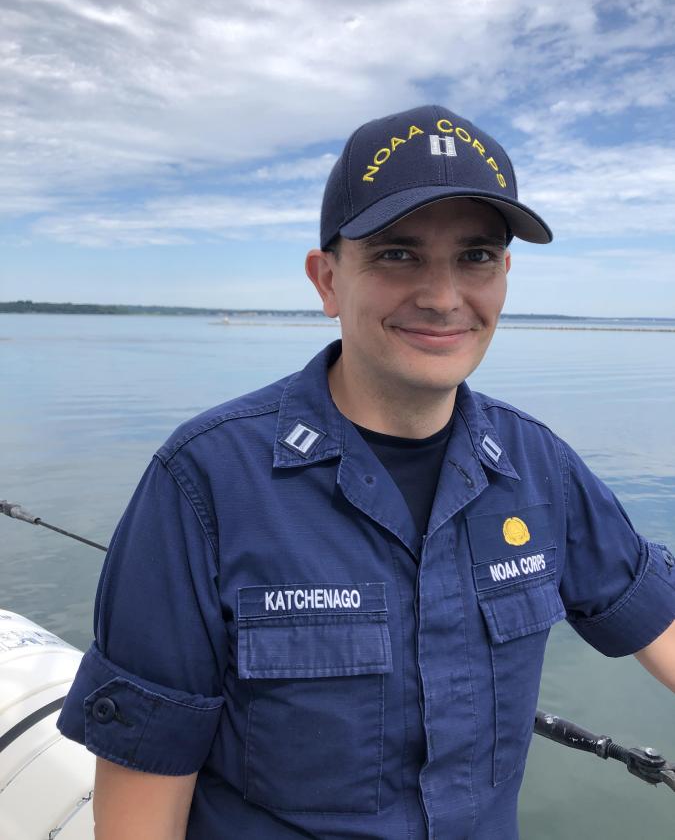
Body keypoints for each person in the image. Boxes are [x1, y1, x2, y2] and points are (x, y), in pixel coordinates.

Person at [57, 104, 675, 840]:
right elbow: (140, 806)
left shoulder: (539, 467)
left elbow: (657, 620)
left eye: (475, 256)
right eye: (396, 254)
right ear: (326, 280)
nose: (444, 296)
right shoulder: (205, 483)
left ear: (504, 275)